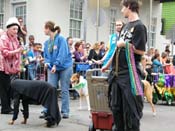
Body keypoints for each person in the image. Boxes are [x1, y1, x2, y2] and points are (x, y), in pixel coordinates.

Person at [108, 1, 147, 131]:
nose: (121, 10)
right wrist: (107, 64)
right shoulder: (125, 26)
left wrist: (125, 45)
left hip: (129, 75)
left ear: (129, 7)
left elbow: (141, 51)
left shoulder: (139, 27)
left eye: (123, 7)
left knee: (131, 112)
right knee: (116, 109)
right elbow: (116, 49)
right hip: (117, 74)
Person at [43, 21, 73, 119]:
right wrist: (47, 63)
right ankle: (47, 110)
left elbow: (62, 53)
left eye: (44, 28)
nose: (43, 30)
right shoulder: (47, 42)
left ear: (48, 28)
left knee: (64, 89)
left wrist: (56, 64)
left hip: (65, 67)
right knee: (50, 88)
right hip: (53, 68)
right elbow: (46, 55)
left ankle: (65, 111)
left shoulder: (61, 39)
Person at [0, 17, 23, 114]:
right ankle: (5, 108)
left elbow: (17, 55)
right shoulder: (3, 38)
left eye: (17, 29)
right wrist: (17, 50)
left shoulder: (15, 39)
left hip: (10, 67)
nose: (15, 31)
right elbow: (5, 53)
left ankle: (8, 107)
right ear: (8, 29)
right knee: (4, 88)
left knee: (9, 88)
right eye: (13, 29)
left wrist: (18, 66)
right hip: (2, 66)